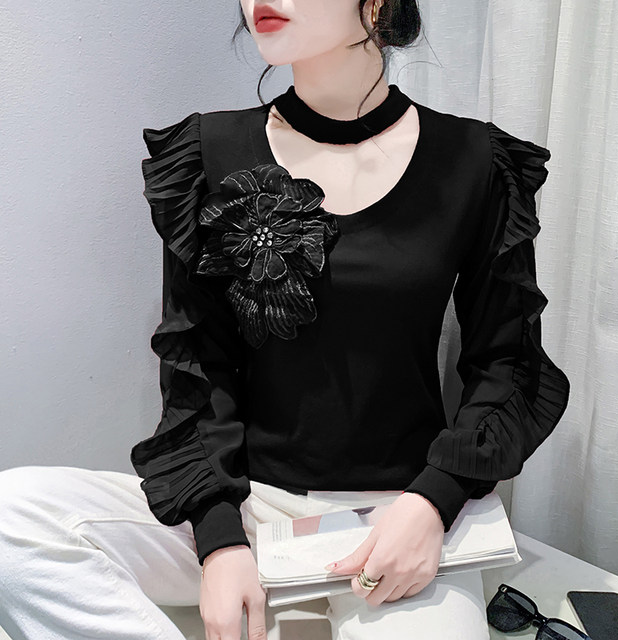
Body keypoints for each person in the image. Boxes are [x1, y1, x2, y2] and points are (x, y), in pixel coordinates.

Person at [0, 1, 570, 639]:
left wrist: (434, 503)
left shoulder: (473, 160)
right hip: (247, 501)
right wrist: (219, 540)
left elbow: (507, 362)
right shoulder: (207, 153)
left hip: (397, 511)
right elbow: (199, 367)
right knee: (11, 520)